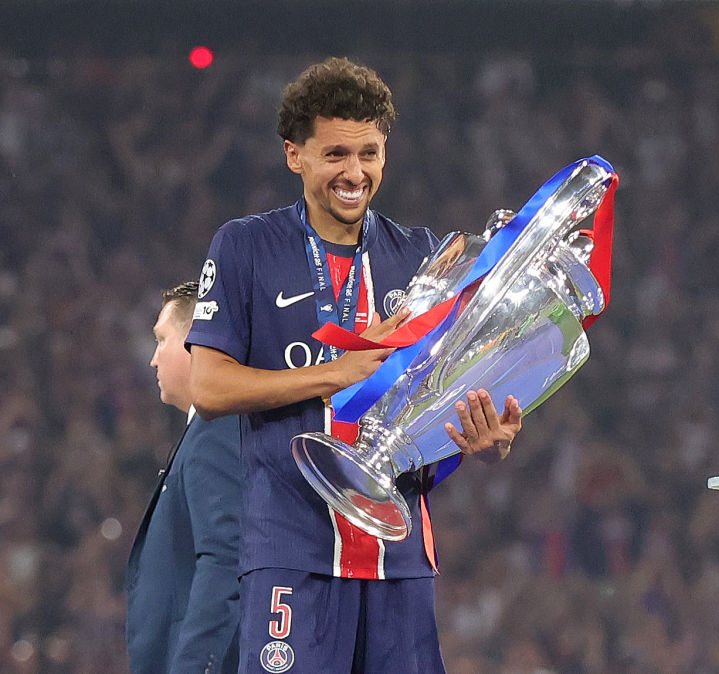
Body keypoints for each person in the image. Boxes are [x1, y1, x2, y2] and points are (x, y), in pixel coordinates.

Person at [186, 56, 522, 673]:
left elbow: (444, 399)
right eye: (335, 154)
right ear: (295, 155)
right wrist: (335, 373)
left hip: (399, 557)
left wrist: (485, 438)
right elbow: (207, 386)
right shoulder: (246, 247)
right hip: (292, 550)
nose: (355, 172)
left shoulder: (425, 259)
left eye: (369, 153)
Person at [126, 281, 242, 673]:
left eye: (162, 340)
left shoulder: (216, 429)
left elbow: (225, 557)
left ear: (196, 341)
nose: (153, 360)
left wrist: (196, 664)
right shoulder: (207, 430)